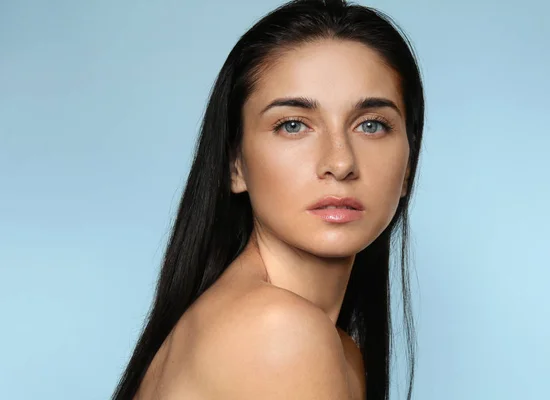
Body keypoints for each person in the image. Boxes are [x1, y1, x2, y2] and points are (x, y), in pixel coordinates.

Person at [112, 0, 424, 399]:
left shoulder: (335, 346)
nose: (341, 162)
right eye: (293, 125)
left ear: (409, 164)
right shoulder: (279, 333)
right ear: (235, 164)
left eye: (371, 125)